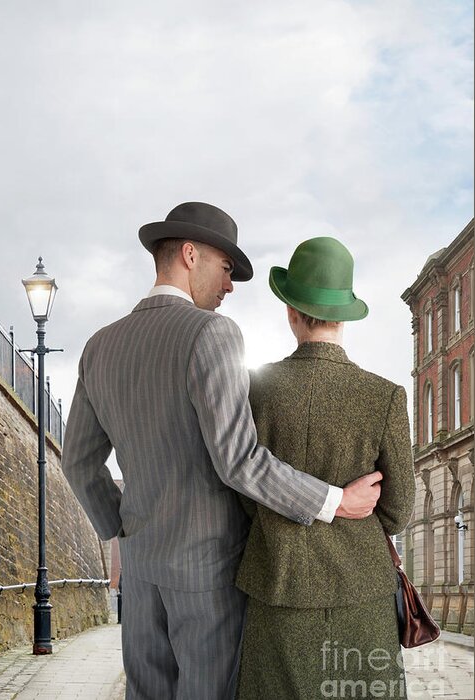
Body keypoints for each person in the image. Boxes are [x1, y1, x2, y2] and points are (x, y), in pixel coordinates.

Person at [61, 203, 383, 700]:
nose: (230, 286)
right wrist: (335, 501)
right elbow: (239, 460)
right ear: (190, 254)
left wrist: (123, 530)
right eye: (227, 268)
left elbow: (78, 461)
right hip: (207, 572)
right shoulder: (211, 333)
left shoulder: (99, 346)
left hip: (141, 573)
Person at [235, 236, 416, 700]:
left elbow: (242, 488)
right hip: (362, 591)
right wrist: (349, 509)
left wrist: (282, 520)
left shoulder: (256, 390)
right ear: (344, 317)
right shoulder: (385, 396)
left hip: (277, 582)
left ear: (291, 313)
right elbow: (399, 510)